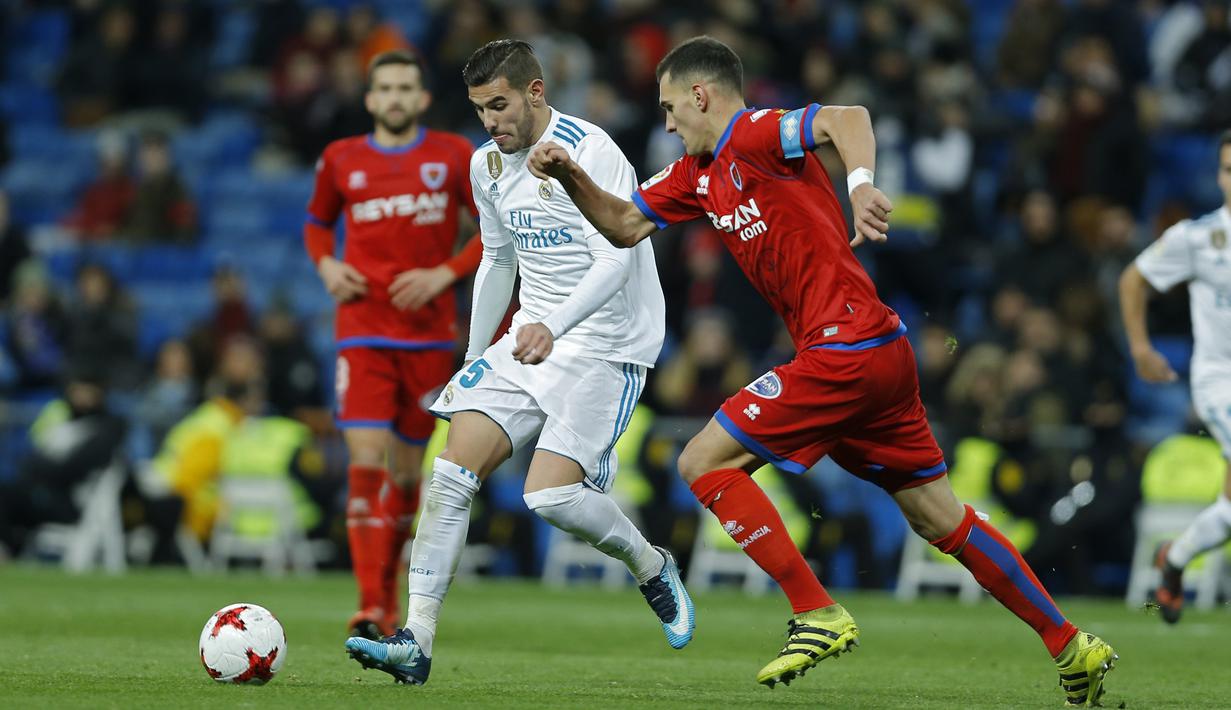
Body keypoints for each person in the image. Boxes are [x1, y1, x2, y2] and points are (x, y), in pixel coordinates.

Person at [528, 35, 1117, 705]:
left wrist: (860, 186)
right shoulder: (694, 175)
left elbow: (847, 118)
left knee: (701, 461)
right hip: (876, 352)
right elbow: (624, 225)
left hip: (846, 349)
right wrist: (570, 174)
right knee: (939, 519)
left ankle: (815, 610)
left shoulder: (755, 134)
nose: (665, 124)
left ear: (700, 95)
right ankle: (1070, 644)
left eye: (669, 107)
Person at [344, 39, 694, 686]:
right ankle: (416, 639)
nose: (490, 121)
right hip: (528, 338)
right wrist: (475, 358)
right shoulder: (486, 165)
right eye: (480, 109)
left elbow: (616, 261)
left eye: (500, 105)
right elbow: (498, 258)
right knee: (449, 476)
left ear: (536, 92)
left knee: (551, 496)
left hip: (606, 344)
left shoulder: (590, 151)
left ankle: (651, 566)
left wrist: (551, 327)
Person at [305, 49, 484, 641]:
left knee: (407, 476)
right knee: (365, 463)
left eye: (406, 87)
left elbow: (491, 231)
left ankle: (387, 591)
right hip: (362, 330)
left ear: (423, 98)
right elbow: (316, 224)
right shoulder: (341, 158)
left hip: (428, 336)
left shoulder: (452, 155)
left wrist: (443, 274)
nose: (395, 97)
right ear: (370, 99)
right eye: (385, 88)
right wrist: (328, 266)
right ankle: (369, 604)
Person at [1119, 129, 1231, 625]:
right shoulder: (1198, 237)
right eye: (1228, 170)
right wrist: (1141, 348)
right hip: (1220, 381)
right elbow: (1133, 278)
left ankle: (1175, 557)